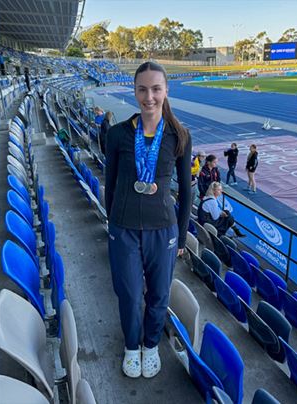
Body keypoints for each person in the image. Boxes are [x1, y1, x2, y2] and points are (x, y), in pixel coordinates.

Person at [104, 61, 192, 379]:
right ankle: (132, 346)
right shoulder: (117, 134)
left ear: (166, 91)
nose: (149, 96)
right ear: (135, 91)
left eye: (156, 89)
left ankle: (151, 345)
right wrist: (113, 224)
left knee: (158, 295)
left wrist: (182, 236)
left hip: (163, 229)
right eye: (142, 89)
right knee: (128, 294)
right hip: (123, 228)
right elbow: (110, 183)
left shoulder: (179, 135)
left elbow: (187, 192)